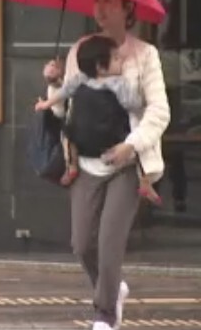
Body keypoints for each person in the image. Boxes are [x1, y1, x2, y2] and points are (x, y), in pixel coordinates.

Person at [50, 0, 170, 330]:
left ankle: (104, 313)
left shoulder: (146, 55)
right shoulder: (80, 51)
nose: (99, 10)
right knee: (82, 244)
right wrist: (56, 83)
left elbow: (159, 110)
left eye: (109, 3)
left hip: (127, 162)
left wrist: (131, 145)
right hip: (85, 161)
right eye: (95, 1)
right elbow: (62, 111)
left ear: (127, 9)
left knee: (109, 242)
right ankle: (113, 288)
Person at [35, 37, 162, 205]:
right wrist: (139, 99)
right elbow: (133, 104)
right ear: (100, 66)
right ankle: (145, 182)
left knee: (68, 136)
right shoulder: (119, 83)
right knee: (136, 149)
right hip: (109, 137)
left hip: (84, 137)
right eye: (116, 58)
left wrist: (46, 103)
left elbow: (64, 92)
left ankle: (71, 165)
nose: (121, 61)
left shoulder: (81, 79)